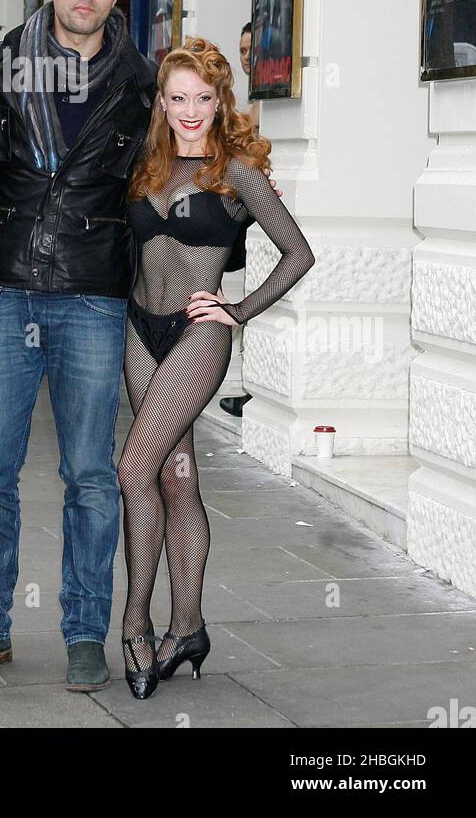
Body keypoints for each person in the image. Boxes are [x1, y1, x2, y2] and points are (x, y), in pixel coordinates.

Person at [0, 0, 158, 691]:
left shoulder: (142, 83)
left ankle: (84, 631)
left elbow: (165, 180)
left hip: (93, 291)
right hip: (6, 283)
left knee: (90, 475)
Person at [118, 40, 314, 698]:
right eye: (178, 98)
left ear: (221, 98)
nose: (191, 110)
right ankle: (189, 629)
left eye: (204, 97)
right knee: (175, 476)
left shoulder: (237, 172)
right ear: (162, 103)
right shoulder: (146, 164)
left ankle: (137, 626)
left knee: (131, 468)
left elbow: (297, 253)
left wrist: (240, 308)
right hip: (139, 330)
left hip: (199, 333)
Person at [220, 22, 259, 418]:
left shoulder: (260, 104)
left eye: (253, 49)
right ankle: (253, 388)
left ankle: (254, 390)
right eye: (242, 50)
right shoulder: (248, 103)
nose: (247, 57)